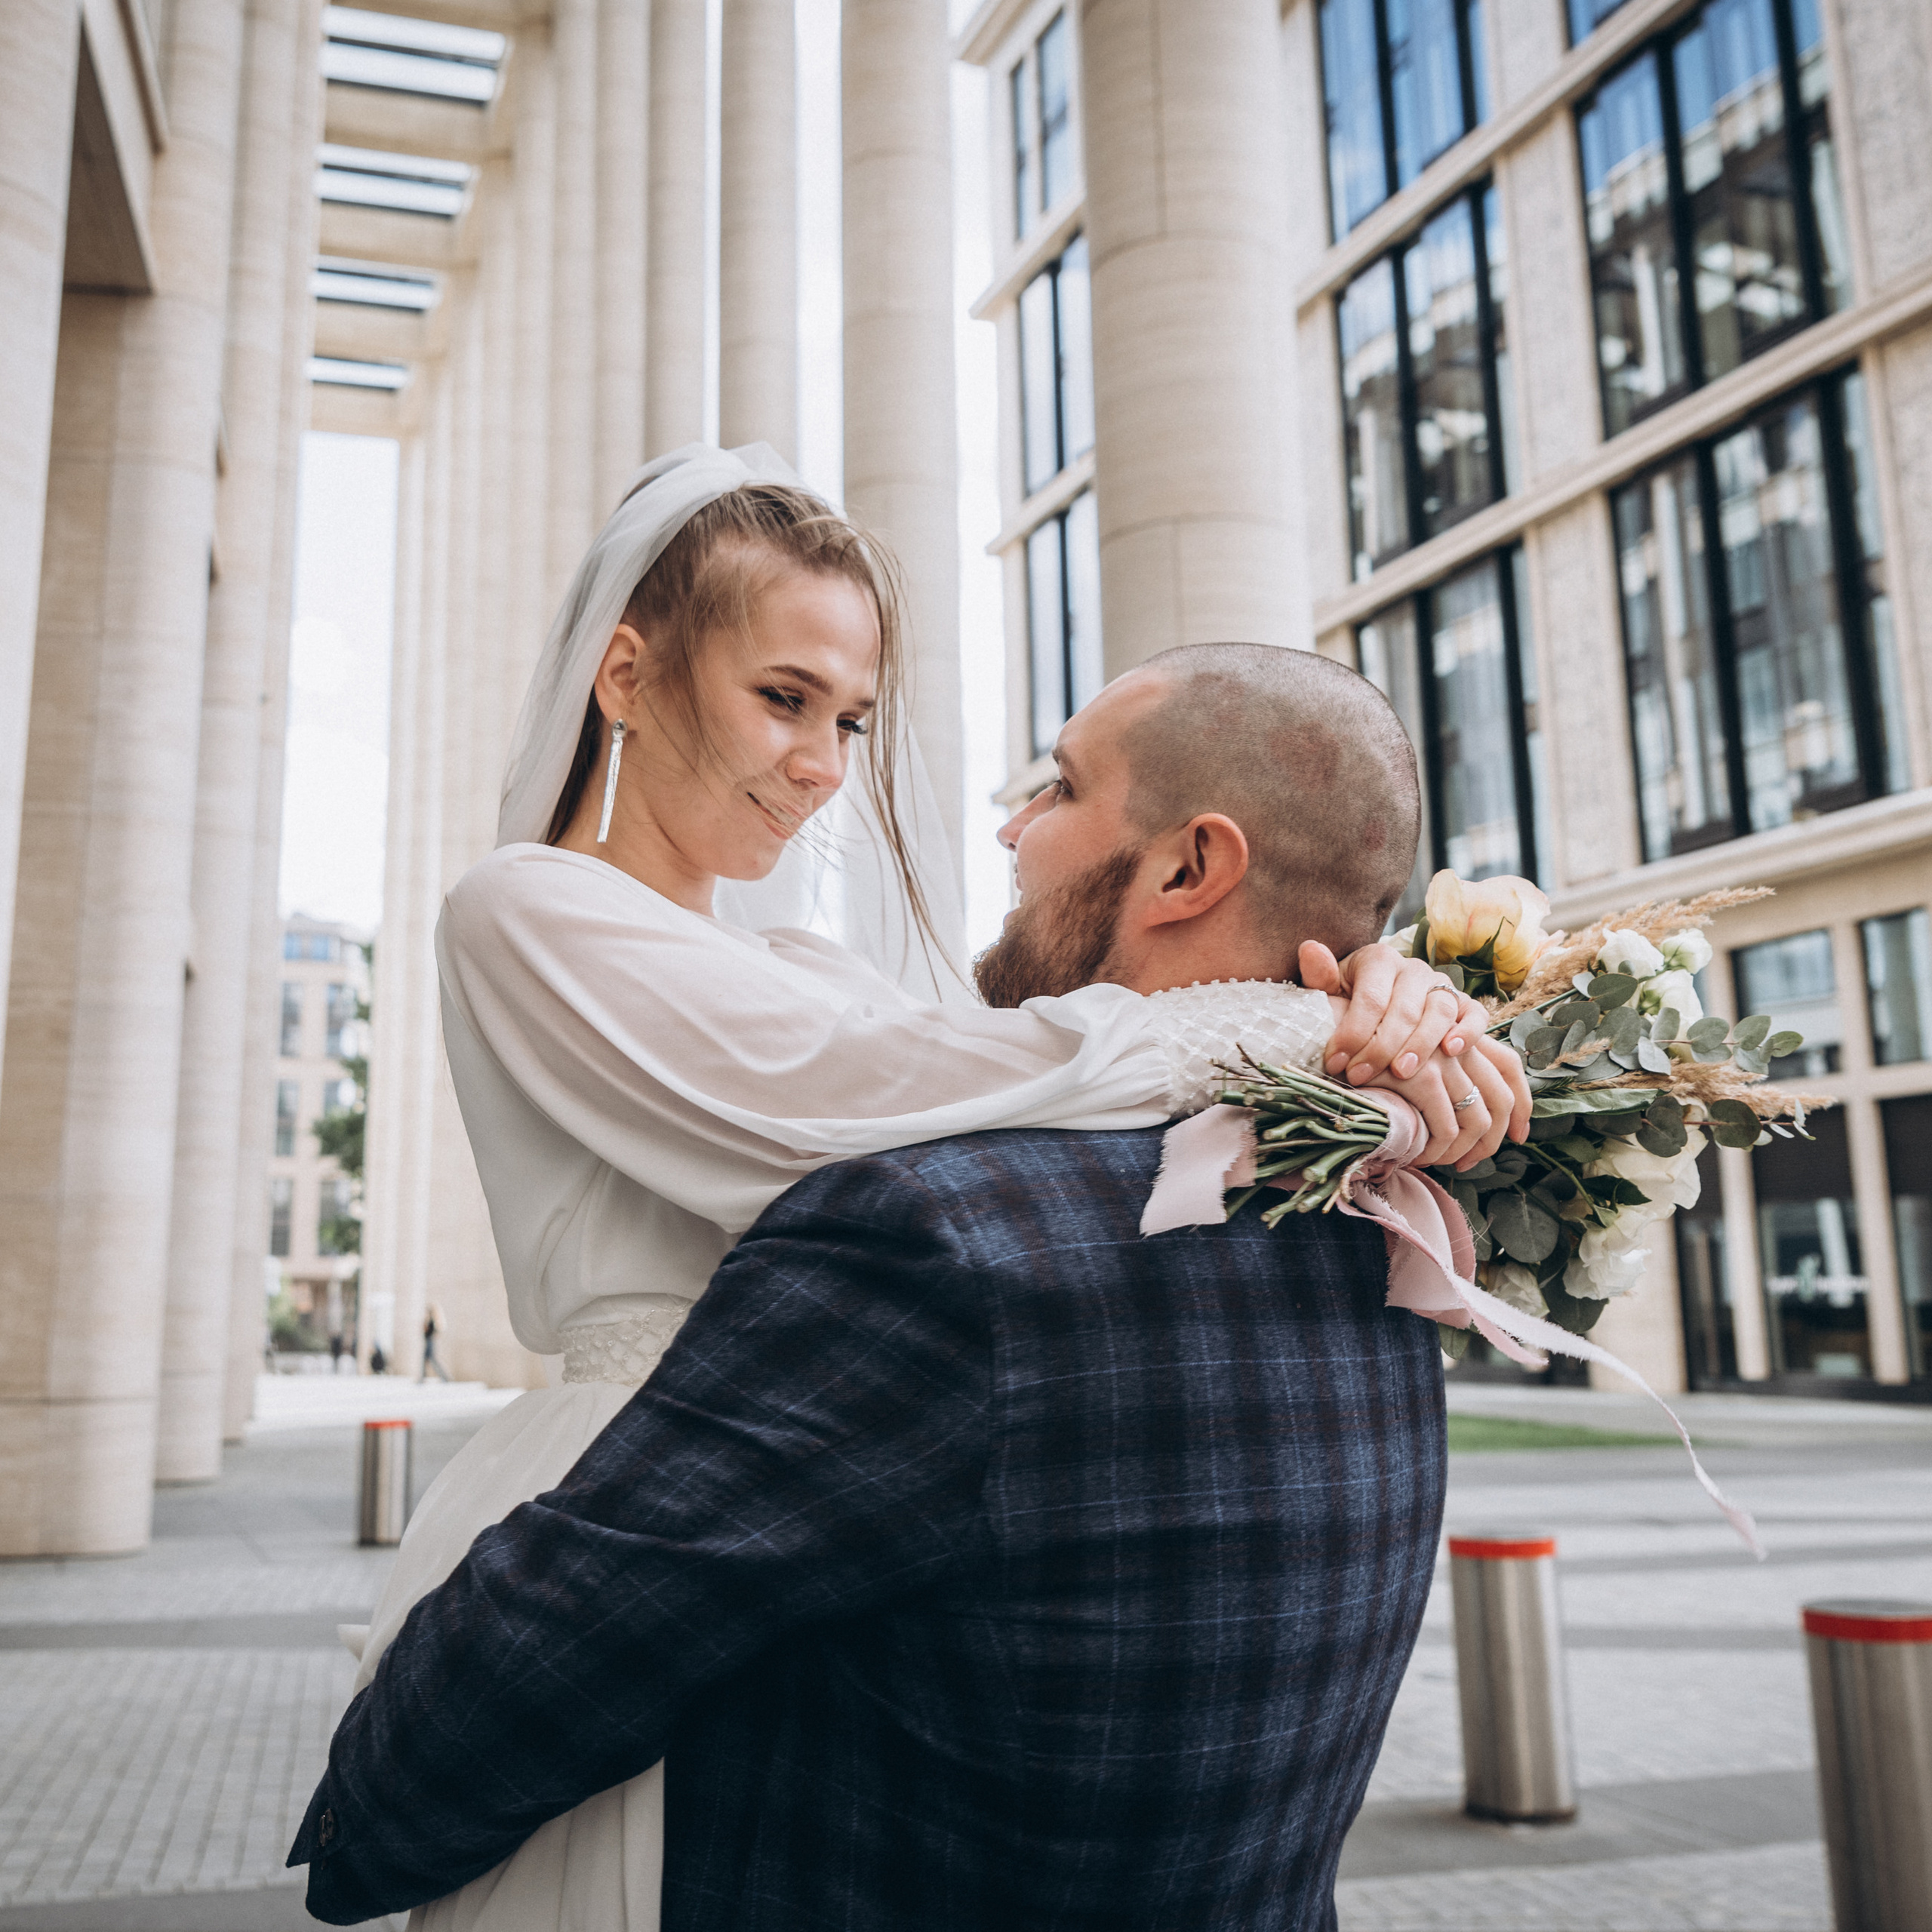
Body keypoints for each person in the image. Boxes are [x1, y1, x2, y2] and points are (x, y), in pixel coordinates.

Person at [320, 444, 1527, 1930]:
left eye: (850, 718)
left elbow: (993, 1066)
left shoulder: (804, 973)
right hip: (616, 1482)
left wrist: (1366, 981)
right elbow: (920, 1093)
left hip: (786, 1507)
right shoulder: (529, 907)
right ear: (622, 673)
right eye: (781, 697)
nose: (826, 766)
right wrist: (1296, 1018)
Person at [417, 1304, 451, 1384]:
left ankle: (444, 1377)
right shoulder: (429, 1320)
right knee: (427, 1360)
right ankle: (423, 1378)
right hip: (428, 1342)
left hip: (430, 1342)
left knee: (431, 1361)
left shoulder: (432, 1321)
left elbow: (431, 1332)